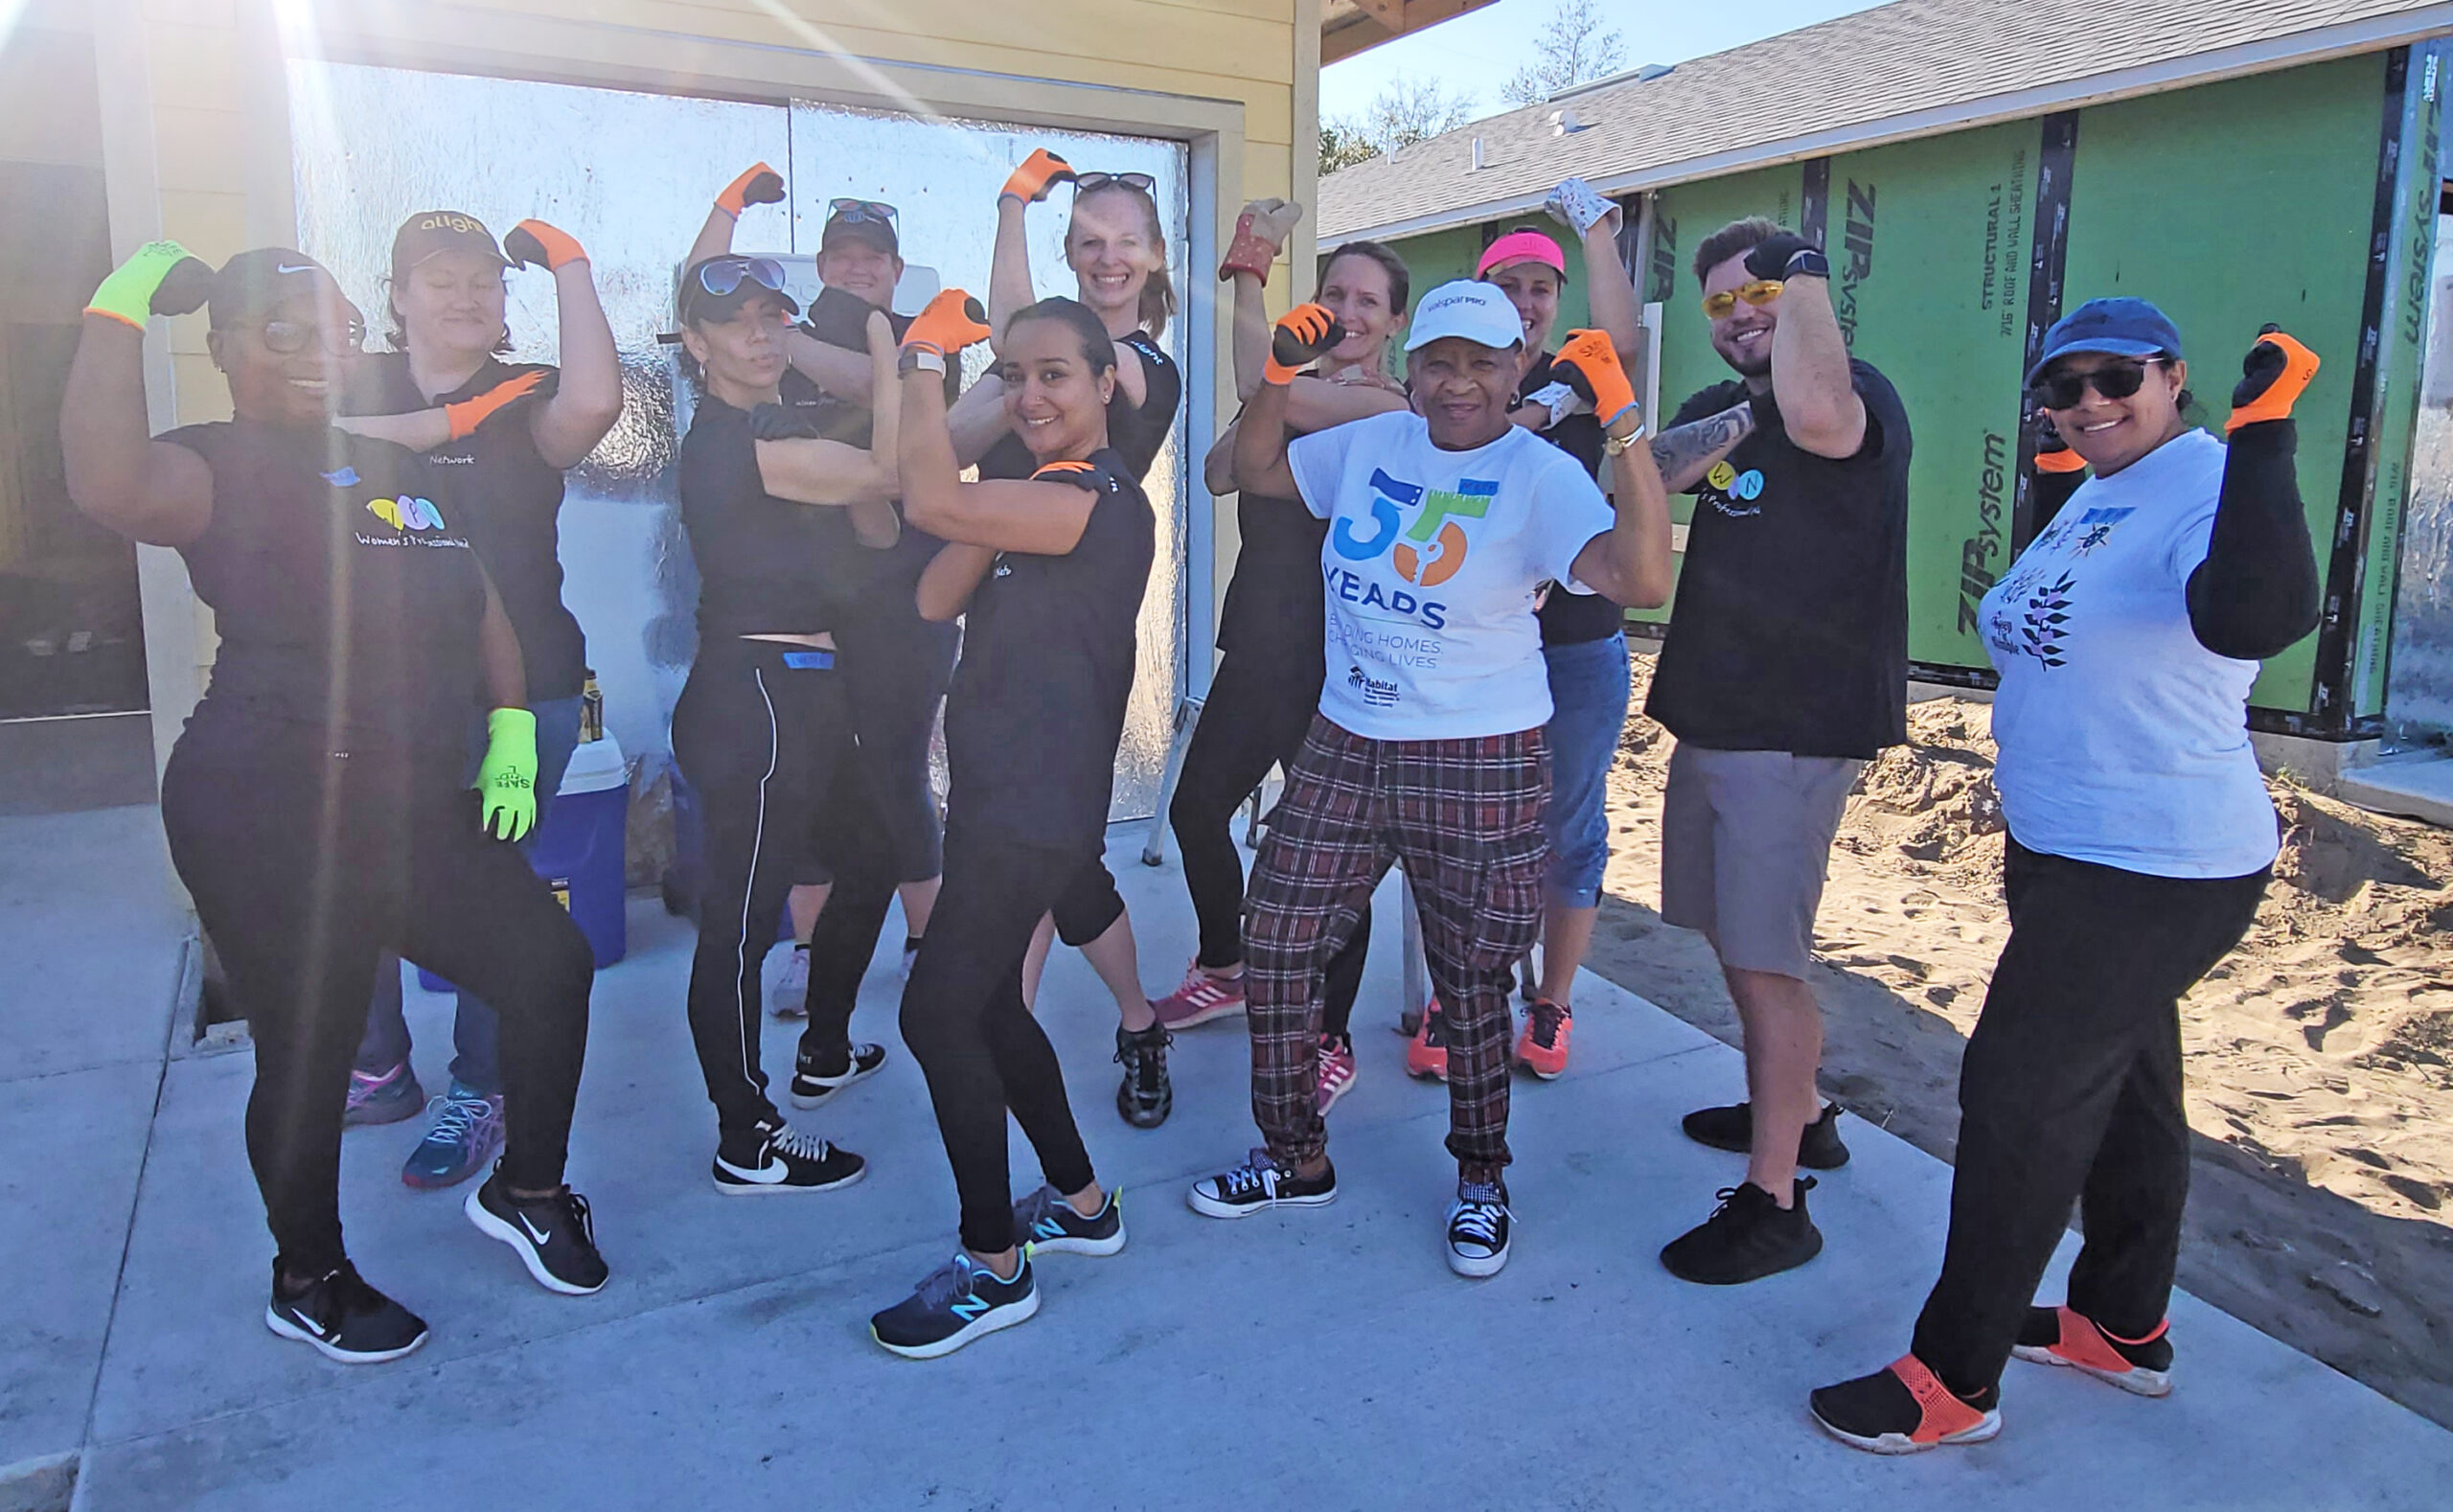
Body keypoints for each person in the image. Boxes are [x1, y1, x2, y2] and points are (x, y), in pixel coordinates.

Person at [62, 244, 608, 1362]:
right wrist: (117, 307)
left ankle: (529, 1189)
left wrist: (510, 730)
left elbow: (484, 601)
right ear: (221, 352)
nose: (318, 351)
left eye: (334, 327)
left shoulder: (385, 463)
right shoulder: (209, 463)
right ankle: (307, 1274)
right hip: (265, 798)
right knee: (309, 1047)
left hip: (408, 797)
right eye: (282, 330)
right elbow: (103, 480)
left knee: (546, 969)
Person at [1811, 306, 2322, 1453]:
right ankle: (2120, 1325)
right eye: (2063, 386)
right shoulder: (2099, 488)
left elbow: (2253, 616)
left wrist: (2268, 434)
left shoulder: (2207, 478)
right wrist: (2055, 478)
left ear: (2174, 378)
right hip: (2061, 847)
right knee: (2131, 1090)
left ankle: (1953, 1377)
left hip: (2154, 863)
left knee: (2018, 1100)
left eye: (2114, 378)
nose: (2088, 402)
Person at [1188, 284, 1672, 1278]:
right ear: (1408, 371)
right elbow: (1256, 471)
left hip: (1479, 752)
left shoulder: (1539, 474)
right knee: (1276, 941)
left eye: (1483, 363)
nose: (1459, 384)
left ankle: (1480, 1178)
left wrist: (1624, 430)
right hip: (1348, 737)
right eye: (1440, 363)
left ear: (1516, 372)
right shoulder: (1369, 444)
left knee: (1470, 984)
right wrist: (1277, 376)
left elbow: (1641, 580)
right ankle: (1293, 1155)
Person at [868, 292, 1150, 1357]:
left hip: (1035, 805)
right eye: (1013, 376)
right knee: (989, 1010)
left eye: (1054, 376)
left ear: (1103, 385)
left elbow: (923, 492)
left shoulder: (1097, 496)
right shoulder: (1033, 500)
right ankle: (1080, 1203)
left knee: (937, 1017)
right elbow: (936, 596)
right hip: (998, 796)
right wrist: (976, 516)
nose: (1030, 395)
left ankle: (993, 1266)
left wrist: (924, 362)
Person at [1645, 218, 1913, 1287]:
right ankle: (1798, 1115)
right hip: (1714, 712)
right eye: (1719, 302)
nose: (1741, 312)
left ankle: (1774, 1199)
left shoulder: (1857, 393)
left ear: (1805, 296)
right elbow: (1652, 476)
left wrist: (1803, 287)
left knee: (1768, 963)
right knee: (1731, 937)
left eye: (1762, 291)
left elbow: (1811, 413)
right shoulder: (1726, 407)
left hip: (1794, 725)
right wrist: (1736, 409)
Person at [334, 209, 623, 1192]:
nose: (464, 294)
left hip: (524, 689)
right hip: (380, 689)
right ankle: (376, 1067)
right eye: (439, 276)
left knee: (497, 887)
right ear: (399, 294)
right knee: (358, 868)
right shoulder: (352, 386)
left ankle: (481, 1086)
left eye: (482, 281)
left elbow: (595, 402)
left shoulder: (527, 390)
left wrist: (571, 264)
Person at [1156, 200, 1411, 1121]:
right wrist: (1264, 375)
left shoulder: (1386, 406)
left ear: (1393, 323)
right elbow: (1225, 470)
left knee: (1331, 862)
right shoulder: (1292, 389)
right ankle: (1225, 964)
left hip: (1332, 664)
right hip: (1256, 643)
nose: (1348, 310)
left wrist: (1248, 277)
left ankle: (1330, 1033)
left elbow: (1273, 393)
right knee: (1194, 812)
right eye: (1335, 291)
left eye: (1368, 300)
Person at [688, 168, 956, 1019]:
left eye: (871, 256)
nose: (855, 268)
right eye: (840, 255)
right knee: (804, 801)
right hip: (793, 623)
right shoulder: (757, 366)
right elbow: (695, 296)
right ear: (821, 264)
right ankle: (809, 956)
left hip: (898, 599)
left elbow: (887, 453)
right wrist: (727, 212)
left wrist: (788, 338)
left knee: (894, 778)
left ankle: (926, 945)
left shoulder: (921, 332)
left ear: (895, 265)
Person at [669, 243, 903, 1193]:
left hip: (807, 688)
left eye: (774, 317)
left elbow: (874, 522)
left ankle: (827, 1047)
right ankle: (745, 1133)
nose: (760, 335)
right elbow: (888, 472)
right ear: (695, 343)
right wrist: (897, 351)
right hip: (755, 693)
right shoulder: (737, 444)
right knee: (740, 921)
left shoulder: (772, 427)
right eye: (735, 322)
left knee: (878, 849)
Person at [974, 148, 1187, 1125]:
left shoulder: (1143, 366)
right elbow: (1016, 331)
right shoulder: (1043, 359)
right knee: (1037, 854)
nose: (1108, 259)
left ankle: (1125, 1025)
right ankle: (1097, 1027)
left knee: (1049, 857)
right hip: (1002, 603)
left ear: (1152, 258)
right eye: (1089, 243)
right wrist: (1015, 205)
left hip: (1080, 625)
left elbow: (1048, 345)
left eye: (1125, 245)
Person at [1449, 177, 1645, 1083]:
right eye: (1510, 287)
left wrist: (1599, 232)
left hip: (1575, 645)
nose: (1526, 303)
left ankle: (1553, 1003)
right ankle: (1460, 1004)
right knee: (1472, 833)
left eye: (1542, 288)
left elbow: (1625, 345)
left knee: (1568, 826)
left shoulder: (1577, 373)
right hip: (1478, 645)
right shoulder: (1457, 385)